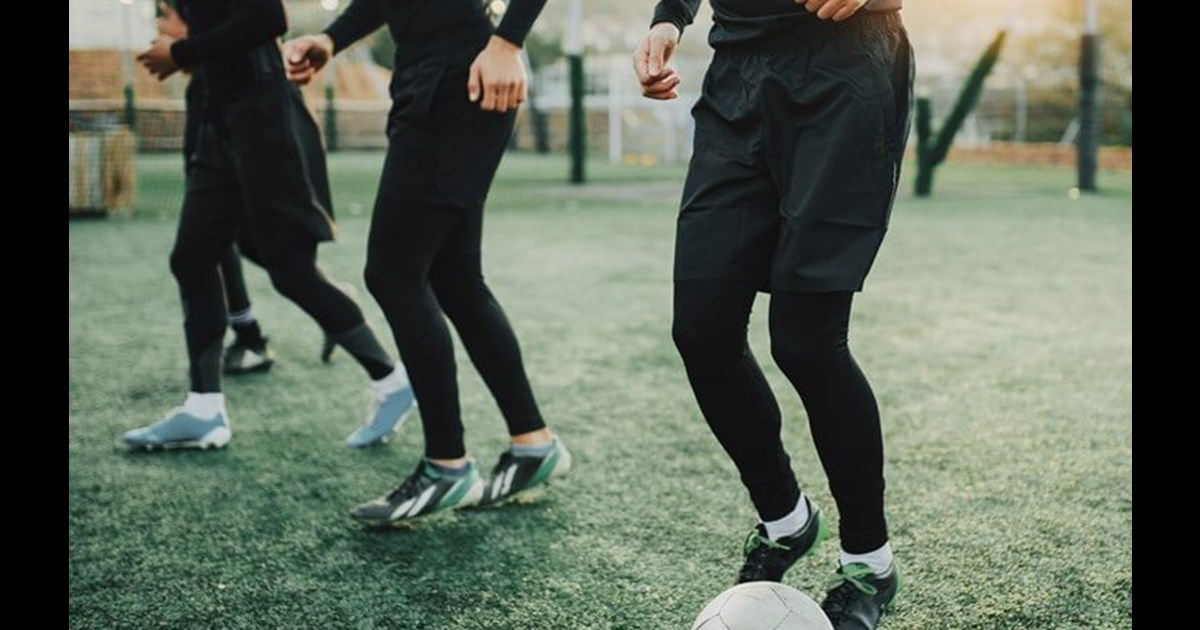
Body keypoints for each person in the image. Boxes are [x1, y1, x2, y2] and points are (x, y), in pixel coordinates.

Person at [633, 0, 912, 627]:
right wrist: (667, 18)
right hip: (737, 79)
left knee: (807, 342)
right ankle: (786, 520)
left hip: (844, 70)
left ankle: (870, 560)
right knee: (701, 331)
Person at [282, 0, 570, 525]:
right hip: (429, 74)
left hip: (464, 74)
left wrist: (508, 40)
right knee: (455, 278)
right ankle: (532, 444)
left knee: (393, 273)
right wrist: (330, 39)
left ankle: (447, 464)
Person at [122, 0, 416, 451]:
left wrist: (181, 52)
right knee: (193, 257)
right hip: (220, 118)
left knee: (292, 273)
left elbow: (267, 18)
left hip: (264, 119)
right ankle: (204, 409)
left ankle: (391, 380)